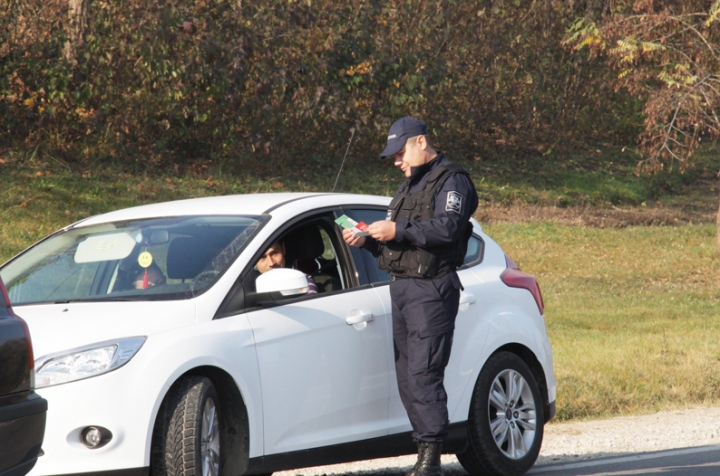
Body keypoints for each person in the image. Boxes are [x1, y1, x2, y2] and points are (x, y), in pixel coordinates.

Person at [343, 117, 478, 476]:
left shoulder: (453, 181)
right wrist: (370, 239)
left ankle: (431, 458)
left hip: (431, 289)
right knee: (407, 376)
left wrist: (397, 228)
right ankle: (424, 448)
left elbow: (448, 229)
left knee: (423, 372)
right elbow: (401, 247)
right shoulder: (406, 187)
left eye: (400, 152)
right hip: (402, 288)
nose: (397, 161)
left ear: (421, 142)